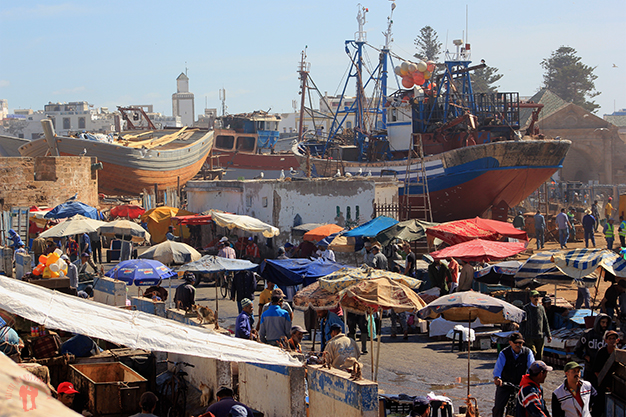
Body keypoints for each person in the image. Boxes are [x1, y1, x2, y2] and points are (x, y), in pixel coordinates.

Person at [492, 332, 535, 417]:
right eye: (516, 343)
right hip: (505, 384)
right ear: (510, 343)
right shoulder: (503, 353)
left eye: (521, 343)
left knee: (531, 407)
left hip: (521, 385)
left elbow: (532, 368)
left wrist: (531, 379)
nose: (518, 345)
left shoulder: (528, 352)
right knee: (498, 408)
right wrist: (497, 378)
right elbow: (498, 369)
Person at [574, 313, 611, 388]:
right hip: (590, 369)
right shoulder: (587, 334)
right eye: (603, 322)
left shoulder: (608, 336)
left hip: (604, 369)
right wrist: (585, 357)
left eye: (606, 323)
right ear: (598, 322)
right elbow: (577, 350)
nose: (605, 325)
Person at [520, 290, 552, 361]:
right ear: (530, 298)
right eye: (534, 296)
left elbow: (545, 321)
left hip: (539, 336)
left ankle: (537, 370)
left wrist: (548, 334)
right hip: (529, 336)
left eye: (537, 296)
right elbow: (522, 323)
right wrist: (521, 336)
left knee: (539, 356)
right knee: (533, 352)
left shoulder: (541, 308)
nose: (536, 298)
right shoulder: (526, 308)